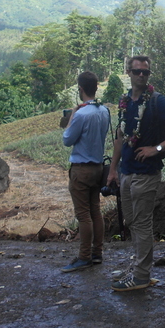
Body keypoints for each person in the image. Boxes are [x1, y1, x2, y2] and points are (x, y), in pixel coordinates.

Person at [106, 56, 165, 291]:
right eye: (137, 72)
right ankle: (138, 267)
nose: (141, 75)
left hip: (146, 173)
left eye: (145, 72)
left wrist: (158, 148)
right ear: (129, 73)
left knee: (142, 224)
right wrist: (113, 169)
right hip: (126, 172)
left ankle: (141, 275)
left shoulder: (157, 101)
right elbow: (119, 138)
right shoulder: (124, 102)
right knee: (132, 221)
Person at [61, 71, 110, 273]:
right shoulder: (104, 111)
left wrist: (72, 116)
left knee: (83, 215)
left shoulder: (80, 114)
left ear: (80, 89)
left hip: (81, 169)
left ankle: (84, 257)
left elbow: (67, 140)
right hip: (98, 167)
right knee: (95, 211)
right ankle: (97, 253)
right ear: (96, 87)